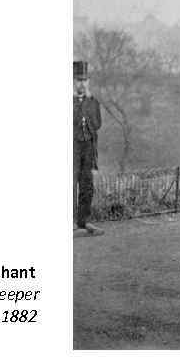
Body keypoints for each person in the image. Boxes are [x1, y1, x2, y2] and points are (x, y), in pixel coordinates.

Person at [73, 61, 104, 237]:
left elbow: (97, 123)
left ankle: (83, 221)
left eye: (85, 80)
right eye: (78, 80)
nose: (82, 84)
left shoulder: (93, 102)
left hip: (88, 148)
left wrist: (87, 102)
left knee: (87, 185)